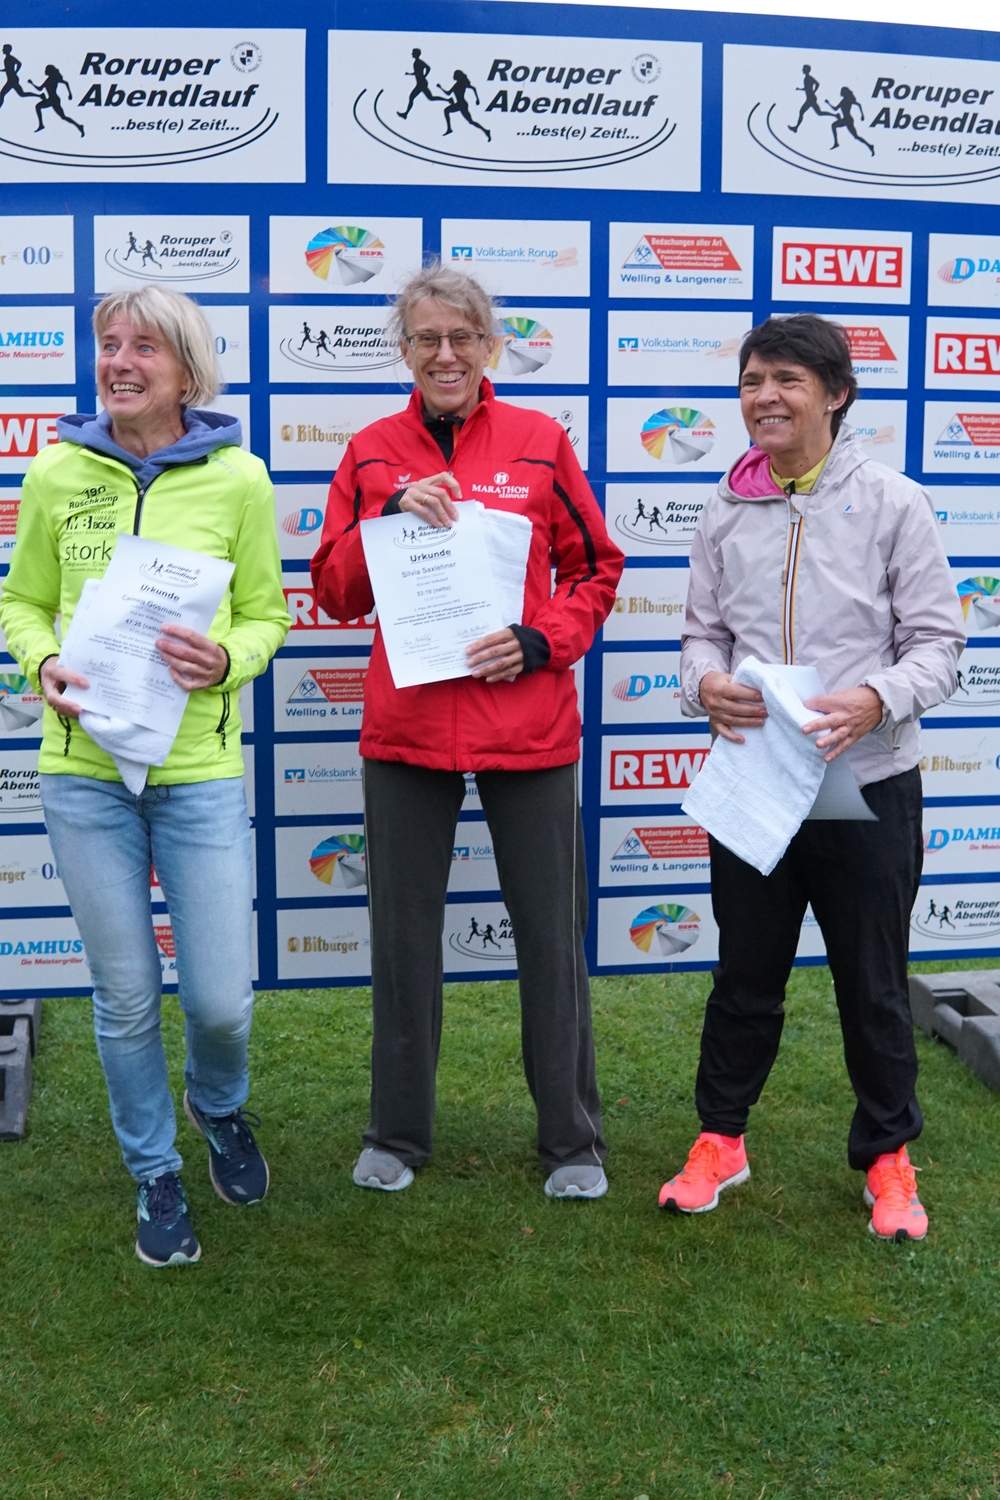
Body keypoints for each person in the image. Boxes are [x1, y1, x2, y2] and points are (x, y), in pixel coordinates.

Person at [311, 264, 623, 1200]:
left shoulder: (539, 442)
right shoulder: (371, 452)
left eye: (462, 337)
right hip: (408, 730)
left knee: (551, 941)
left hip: (527, 726)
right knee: (402, 942)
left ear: (490, 346)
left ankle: (572, 1140)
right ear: (404, 350)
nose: (445, 354)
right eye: (426, 338)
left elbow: (596, 569)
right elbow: (333, 589)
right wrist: (384, 516)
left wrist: (541, 641)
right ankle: (396, 1135)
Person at [0, 285, 290, 1268]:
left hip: (197, 772)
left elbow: (268, 615)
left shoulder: (240, 479)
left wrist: (228, 659)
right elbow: (22, 600)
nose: (119, 362)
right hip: (83, 777)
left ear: (186, 370)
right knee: (125, 995)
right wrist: (41, 661)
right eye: (109, 345)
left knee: (219, 1002)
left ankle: (219, 1107)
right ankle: (154, 1172)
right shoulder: (57, 471)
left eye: (143, 348)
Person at [661, 314, 965, 1241]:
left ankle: (887, 1156)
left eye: (787, 380)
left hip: (867, 784)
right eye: (753, 380)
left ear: (836, 395)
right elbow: (702, 635)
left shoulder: (893, 501)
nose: (765, 397)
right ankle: (722, 1139)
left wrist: (875, 699)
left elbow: (939, 644)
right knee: (744, 974)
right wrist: (703, 684)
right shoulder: (725, 505)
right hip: (757, 782)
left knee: (872, 983)